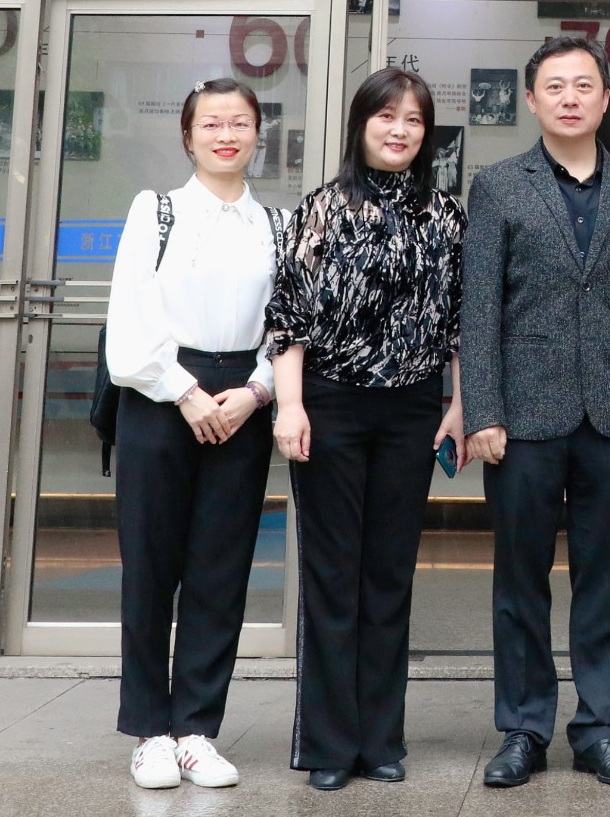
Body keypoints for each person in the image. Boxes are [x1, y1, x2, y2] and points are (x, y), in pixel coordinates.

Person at [462, 36, 610, 789]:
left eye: (584, 85)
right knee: (519, 581)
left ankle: (599, 728)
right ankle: (524, 728)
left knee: (606, 581)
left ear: (606, 99)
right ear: (531, 100)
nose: (570, 97)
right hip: (520, 418)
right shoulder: (497, 186)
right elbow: (479, 310)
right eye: (555, 86)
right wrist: (482, 410)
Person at [266, 67, 466, 791]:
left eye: (414, 119)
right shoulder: (321, 210)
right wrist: (290, 407)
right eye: (386, 116)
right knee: (331, 575)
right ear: (361, 124)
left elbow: (461, 320)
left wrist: (460, 403)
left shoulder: (446, 217)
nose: (399, 130)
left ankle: (380, 740)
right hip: (331, 406)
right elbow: (287, 319)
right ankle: (328, 745)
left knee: (389, 574)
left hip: (413, 409)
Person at [105, 77, 284, 791]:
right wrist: (184, 392)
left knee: (221, 570)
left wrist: (257, 392)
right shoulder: (155, 211)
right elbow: (130, 318)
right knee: (151, 567)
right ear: (188, 137)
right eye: (211, 124)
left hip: (242, 400)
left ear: (257, 134)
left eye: (239, 123)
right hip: (160, 397)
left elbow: (288, 325)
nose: (225, 135)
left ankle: (197, 731)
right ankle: (150, 730)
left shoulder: (275, 224)